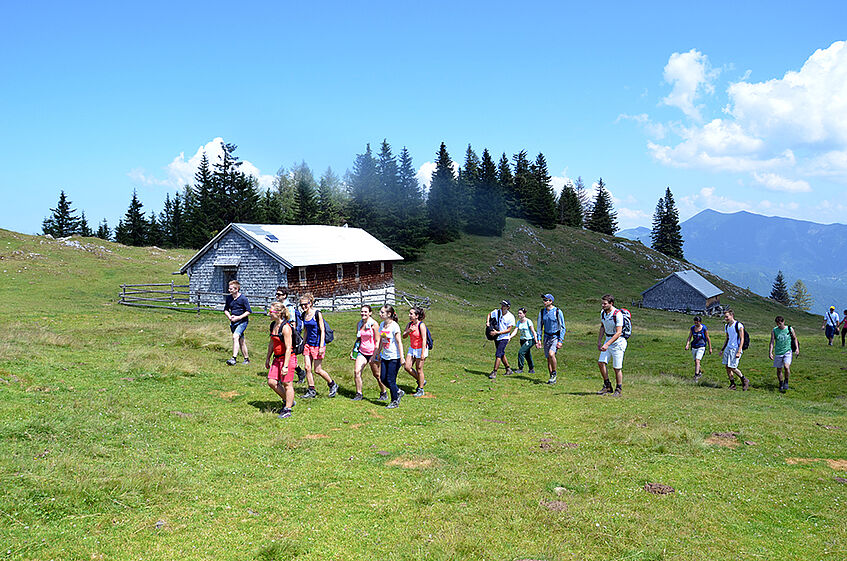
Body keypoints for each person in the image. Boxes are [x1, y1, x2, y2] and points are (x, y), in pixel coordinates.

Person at [298, 292, 338, 399]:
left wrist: (321, 346)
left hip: (317, 344)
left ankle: (332, 384)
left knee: (317, 370)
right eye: (301, 305)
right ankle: (311, 390)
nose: (303, 307)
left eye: (305, 304)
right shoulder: (303, 315)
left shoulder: (317, 313)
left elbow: (322, 330)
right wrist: (303, 343)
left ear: (310, 303)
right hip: (308, 344)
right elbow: (306, 330)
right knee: (307, 368)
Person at [265, 302, 296, 418]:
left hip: (287, 358)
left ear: (278, 313)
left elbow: (288, 348)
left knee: (287, 383)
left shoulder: (286, 328)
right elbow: (272, 343)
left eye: (271, 311)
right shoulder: (273, 325)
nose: (269, 314)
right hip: (277, 359)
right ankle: (289, 400)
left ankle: (287, 409)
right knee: (271, 382)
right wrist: (268, 357)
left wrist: (286, 366)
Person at [350, 305, 387, 401]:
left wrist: (376, 354)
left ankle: (384, 392)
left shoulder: (374, 324)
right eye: (362, 311)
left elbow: (379, 340)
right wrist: (353, 351)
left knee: (377, 375)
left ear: (370, 313)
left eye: (365, 312)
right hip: (362, 352)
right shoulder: (359, 324)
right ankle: (359, 394)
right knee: (356, 371)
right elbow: (358, 339)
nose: (363, 313)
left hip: (372, 352)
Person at [375, 305, 405, 409]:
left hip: (394, 357)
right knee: (383, 378)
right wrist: (378, 353)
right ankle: (398, 391)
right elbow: (381, 341)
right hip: (385, 356)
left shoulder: (395, 326)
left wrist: (402, 357)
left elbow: (399, 342)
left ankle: (394, 401)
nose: (380, 314)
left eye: (382, 312)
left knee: (391, 379)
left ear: (389, 314)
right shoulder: (382, 324)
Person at [596, 294, 626, 397]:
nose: (602, 305)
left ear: (611, 303)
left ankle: (619, 389)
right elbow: (602, 327)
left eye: (605, 304)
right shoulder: (603, 313)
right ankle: (607, 386)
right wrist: (599, 341)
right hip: (608, 339)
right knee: (601, 362)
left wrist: (607, 344)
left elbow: (618, 332)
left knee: (616, 367)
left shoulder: (618, 314)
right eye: (602, 303)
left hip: (618, 342)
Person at [276, 287, 305, 383]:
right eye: (276, 294)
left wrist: (291, 336)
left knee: (289, 355)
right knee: (283, 354)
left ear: (284, 295)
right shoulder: (279, 306)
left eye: (279, 294)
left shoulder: (288, 307)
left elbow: (293, 322)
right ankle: (298, 372)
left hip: (288, 334)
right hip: (281, 333)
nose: (277, 296)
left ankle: (299, 373)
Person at [535, 293, 566, 384]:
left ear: (551, 301)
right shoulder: (542, 312)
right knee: (548, 358)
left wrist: (560, 340)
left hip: (555, 336)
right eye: (543, 300)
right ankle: (552, 378)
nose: (544, 302)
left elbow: (562, 327)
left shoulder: (557, 312)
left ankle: (554, 372)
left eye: (546, 300)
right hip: (546, 337)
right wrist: (539, 339)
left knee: (551, 354)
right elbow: (539, 326)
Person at [721, 308, 749, 391]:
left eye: (727, 317)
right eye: (725, 317)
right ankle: (732, 384)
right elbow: (727, 338)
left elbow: (742, 338)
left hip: (735, 348)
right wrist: (722, 349)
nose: (725, 319)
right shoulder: (726, 326)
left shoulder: (739, 325)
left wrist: (739, 351)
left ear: (732, 315)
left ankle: (744, 379)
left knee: (732, 367)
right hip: (728, 348)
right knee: (727, 366)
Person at [402, 306, 429, 397]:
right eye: (409, 313)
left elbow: (424, 339)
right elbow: (404, 336)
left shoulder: (421, 325)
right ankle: (421, 380)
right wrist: (409, 331)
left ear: (417, 315)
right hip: (412, 348)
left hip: (421, 348)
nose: (409, 315)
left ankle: (420, 389)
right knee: (407, 367)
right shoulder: (409, 324)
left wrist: (422, 353)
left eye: (411, 314)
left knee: (419, 369)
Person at [486, 300, 515, 379]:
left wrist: (498, 332)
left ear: (508, 307)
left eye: (504, 306)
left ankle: (494, 372)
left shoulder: (511, 317)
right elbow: (489, 314)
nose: (502, 307)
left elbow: (509, 330)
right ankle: (508, 369)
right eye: (502, 305)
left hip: (504, 338)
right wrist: (488, 323)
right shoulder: (497, 312)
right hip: (497, 337)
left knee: (498, 354)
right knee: (501, 353)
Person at [224, 280, 251, 366]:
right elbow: (226, 310)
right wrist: (230, 317)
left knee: (235, 337)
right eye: (229, 288)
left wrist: (239, 317)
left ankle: (233, 359)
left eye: (231, 289)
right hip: (233, 322)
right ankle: (246, 359)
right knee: (241, 340)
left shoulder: (243, 298)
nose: (229, 290)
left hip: (242, 322)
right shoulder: (229, 298)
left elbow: (248, 311)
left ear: (237, 289)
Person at [769, 315, 798, 393]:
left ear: (783, 322)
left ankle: (786, 381)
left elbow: (795, 338)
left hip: (787, 351)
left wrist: (797, 349)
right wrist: (770, 352)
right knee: (779, 370)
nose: (779, 325)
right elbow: (772, 341)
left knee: (786, 367)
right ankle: (781, 383)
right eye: (777, 323)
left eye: (780, 323)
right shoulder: (774, 330)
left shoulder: (789, 329)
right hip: (778, 352)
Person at [510, 307, 537, 375]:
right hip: (522, 340)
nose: (519, 315)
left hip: (529, 340)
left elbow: (533, 331)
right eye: (518, 313)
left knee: (521, 352)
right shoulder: (519, 322)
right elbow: (515, 330)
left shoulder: (528, 321)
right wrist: (510, 336)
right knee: (527, 354)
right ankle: (531, 368)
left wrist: (536, 341)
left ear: (524, 314)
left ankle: (520, 368)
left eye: (520, 313)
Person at [684, 316, 712, 380]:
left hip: (701, 346)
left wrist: (710, 348)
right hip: (694, 346)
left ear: (700, 322)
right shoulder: (692, 328)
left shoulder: (704, 328)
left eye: (697, 323)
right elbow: (689, 337)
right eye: (695, 323)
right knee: (696, 361)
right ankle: (699, 372)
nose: (696, 324)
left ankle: (696, 376)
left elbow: (708, 338)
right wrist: (687, 344)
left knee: (697, 360)